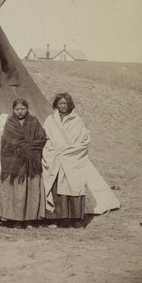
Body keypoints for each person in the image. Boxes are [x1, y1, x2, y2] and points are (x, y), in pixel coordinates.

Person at [0, 98, 47, 228]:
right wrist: (24, 148)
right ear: (13, 110)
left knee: (31, 192)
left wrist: (26, 148)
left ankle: (30, 219)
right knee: (16, 193)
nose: (20, 112)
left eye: (22, 109)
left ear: (27, 109)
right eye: (17, 109)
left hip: (31, 165)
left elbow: (41, 139)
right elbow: (6, 143)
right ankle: (15, 219)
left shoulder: (34, 121)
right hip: (15, 165)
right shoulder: (10, 124)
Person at [42, 92, 89, 228]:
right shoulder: (50, 120)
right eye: (60, 103)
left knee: (74, 187)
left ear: (70, 105)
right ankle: (59, 218)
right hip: (56, 158)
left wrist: (69, 152)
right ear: (56, 104)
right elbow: (46, 138)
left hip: (72, 159)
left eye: (65, 103)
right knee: (57, 188)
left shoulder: (76, 120)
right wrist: (53, 152)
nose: (63, 106)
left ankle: (75, 219)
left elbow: (83, 139)